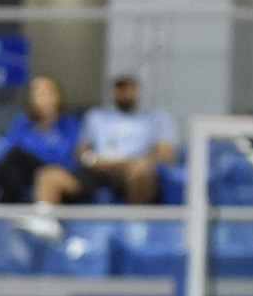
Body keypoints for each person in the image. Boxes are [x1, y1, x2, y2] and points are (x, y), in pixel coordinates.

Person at [21, 74, 176, 239]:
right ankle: (46, 223)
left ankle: (136, 228)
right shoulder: (96, 116)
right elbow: (81, 150)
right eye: (120, 89)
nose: (124, 93)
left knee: (141, 171)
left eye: (128, 89)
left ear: (137, 91)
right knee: (49, 175)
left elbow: (164, 153)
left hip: (130, 170)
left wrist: (128, 163)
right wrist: (93, 160)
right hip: (96, 168)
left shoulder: (156, 117)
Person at [0, 75, 79, 204]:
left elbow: (64, 158)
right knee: (12, 172)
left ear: (57, 95)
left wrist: (31, 151)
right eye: (36, 92)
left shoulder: (69, 125)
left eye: (45, 92)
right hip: (23, 173)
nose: (40, 97)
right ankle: (7, 215)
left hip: (52, 171)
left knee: (17, 156)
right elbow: (7, 151)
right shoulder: (22, 122)